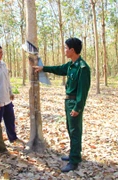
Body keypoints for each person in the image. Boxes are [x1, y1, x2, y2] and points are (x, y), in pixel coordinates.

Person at [33, 37, 91, 172]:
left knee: (75, 131)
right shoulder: (71, 65)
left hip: (74, 102)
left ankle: (75, 160)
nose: (64, 50)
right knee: (71, 130)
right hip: (68, 101)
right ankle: (73, 154)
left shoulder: (82, 68)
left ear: (72, 50)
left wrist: (78, 107)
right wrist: (43, 68)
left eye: (65, 48)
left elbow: (83, 91)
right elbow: (58, 69)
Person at [0, 45, 21, 143]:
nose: (1, 54)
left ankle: (13, 138)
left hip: (7, 99)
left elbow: (7, 80)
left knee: (10, 120)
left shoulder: (3, 64)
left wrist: (10, 91)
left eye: (2, 52)